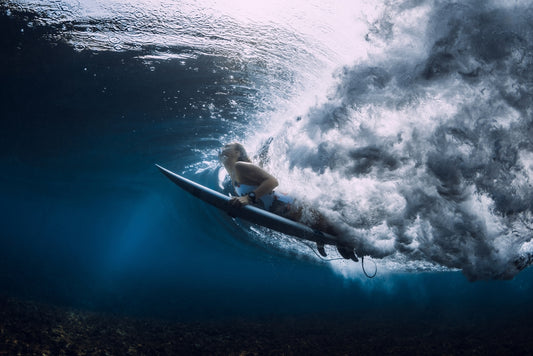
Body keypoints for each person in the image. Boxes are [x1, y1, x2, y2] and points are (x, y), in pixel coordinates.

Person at [218, 142, 358, 261]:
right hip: (284, 211)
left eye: (227, 146)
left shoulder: (240, 167)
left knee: (343, 239)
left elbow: (272, 181)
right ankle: (358, 245)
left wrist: (248, 198)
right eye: (222, 147)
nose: (223, 148)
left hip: (290, 205)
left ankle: (369, 246)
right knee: (338, 240)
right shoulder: (233, 177)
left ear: (237, 152)